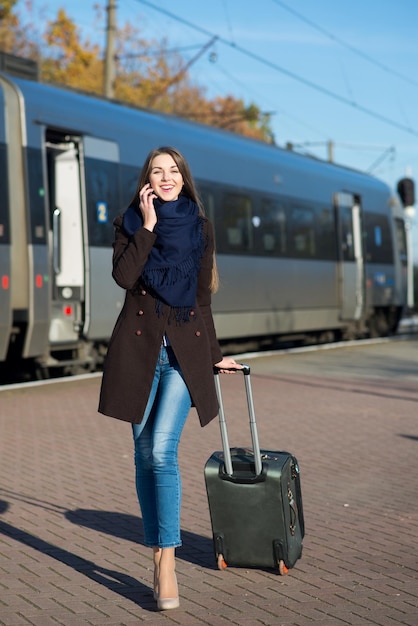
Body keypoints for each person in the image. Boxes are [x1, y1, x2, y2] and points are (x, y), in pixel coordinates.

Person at [98, 146, 241, 611]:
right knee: (142, 455)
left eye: (173, 171)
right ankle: (156, 550)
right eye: (157, 172)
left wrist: (215, 355)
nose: (166, 178)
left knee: (162, 450)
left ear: (184, 178)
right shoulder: (130, 223)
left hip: (183, 353)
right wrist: (149, 226)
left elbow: (202, 298)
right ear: (146, 180)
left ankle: (167, 563)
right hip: (139, 352)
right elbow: (123, 276)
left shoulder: (200, 228)